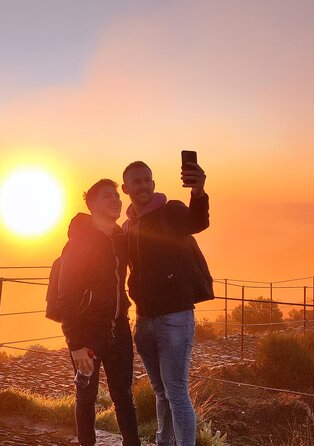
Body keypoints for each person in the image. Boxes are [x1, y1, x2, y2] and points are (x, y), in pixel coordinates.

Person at [121, 160, 209, 446]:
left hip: (174, 317)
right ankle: (163, 442)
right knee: (161, 392)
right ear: (126, 189)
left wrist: (198, 191)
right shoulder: (128, 225)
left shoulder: (170, 211)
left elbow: (197, 221)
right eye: (137, 181)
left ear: (154, 184)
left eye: (147, 180)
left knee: (177, 392)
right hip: (144, 319)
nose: (143, 185)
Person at [57, 179, 141, 446]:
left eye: (117, 195)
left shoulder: (120, 239)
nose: (116, 199)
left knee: (124, 396)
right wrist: (76, 344)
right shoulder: (79, 242)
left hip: (120, 329)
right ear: (92, 205)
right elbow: (66, 296)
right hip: (88, 334)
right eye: (107, 196)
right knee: (86, 397)